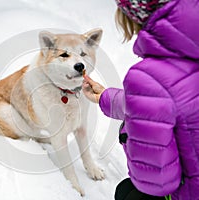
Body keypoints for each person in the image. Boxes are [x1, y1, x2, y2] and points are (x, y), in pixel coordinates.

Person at [82, 0, 199, 199]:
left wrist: (130, 134)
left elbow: (156, 182)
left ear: (133, 15)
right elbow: (179, 101)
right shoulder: (189, 51)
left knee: (128, 194)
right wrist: (106, 97)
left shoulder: (150, 78)